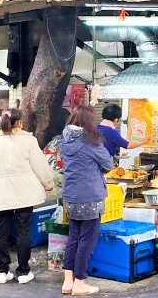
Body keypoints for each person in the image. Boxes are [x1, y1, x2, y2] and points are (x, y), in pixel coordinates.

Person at [0, 108, 56, 284]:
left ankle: (2, 272)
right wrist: (49, 184)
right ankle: (23, 272)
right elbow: (41, 167)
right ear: (20, 122)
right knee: (23, 232)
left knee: (0, 232)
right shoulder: (28, 141)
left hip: (0, 194)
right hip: (24, 193)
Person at [59, 105, 113, 296]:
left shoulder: (64, 140)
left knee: (74, 238)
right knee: (86, 242)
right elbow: (108, 164)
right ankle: (80, 283)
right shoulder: (92, 142)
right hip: (90, 196)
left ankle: (68, 281)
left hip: (71, 196)